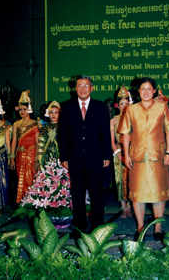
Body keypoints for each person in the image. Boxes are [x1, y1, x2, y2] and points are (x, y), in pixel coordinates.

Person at [119, 77, 169, 241]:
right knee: (138, 195)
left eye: (149, 89)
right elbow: (125, 133)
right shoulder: (131, 109)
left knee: (159, 193)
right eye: (142, 89)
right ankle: (141, 228)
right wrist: (126, 154)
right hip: (137, 157)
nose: (145, 92)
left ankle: (158, 227)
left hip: (158, 156)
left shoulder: (162, 107)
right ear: (138, 91)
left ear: (154, 91)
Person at [59, 75, 111, 235]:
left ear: (92, 88)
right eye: (80, 85)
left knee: (96, 193)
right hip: (75, 158)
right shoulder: (67, 108)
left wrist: (106, 155)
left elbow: (105, 133)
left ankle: (97, 226)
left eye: (86, 86)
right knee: (78, 194)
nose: (83, 88)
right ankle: (79, 225)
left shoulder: (100, 107)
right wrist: (64, 157)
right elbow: (63, 134)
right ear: (75, 88)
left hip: (95, 157)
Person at [10, 90, 39, 203]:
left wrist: (37, 159)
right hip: (19, 156)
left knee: (30, 179)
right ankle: (22, 205)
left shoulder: (34, 124)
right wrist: (11, 158)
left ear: (29, 109)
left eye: (25, 109)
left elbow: (37, 143)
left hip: (31, 155)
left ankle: (31, 204)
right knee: (20, 179)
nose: (22, 112)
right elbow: (14, 142)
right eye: (20, 109)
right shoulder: (16, 124)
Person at [110, 85, 133, 218]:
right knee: (119, 179)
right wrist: (118, 153)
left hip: (131, 153)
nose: (124, 106)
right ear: (117, 105)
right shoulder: (113, 121)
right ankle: (123, 205)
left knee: (132, 179)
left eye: (126, 103)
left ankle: (131, 204)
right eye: (121, 103)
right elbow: (111, 141)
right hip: (118, 153)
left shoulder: (133, 119)